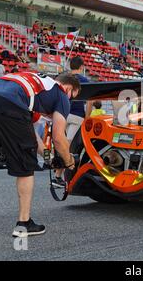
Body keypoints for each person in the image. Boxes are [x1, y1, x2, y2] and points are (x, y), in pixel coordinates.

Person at [0, 72, 81, 238]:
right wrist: (69, 160)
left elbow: (33, 138)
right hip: (10, 105)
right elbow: (59, 138)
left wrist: (49, 158)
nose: (70, 101)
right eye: (73, 96)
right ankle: (24, 223)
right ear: (68, 88)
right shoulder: (61, 94)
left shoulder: (34, 84)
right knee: (25, 165)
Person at [51, 57, 91, 188]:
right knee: (67, 146)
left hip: (62, 113)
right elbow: (90, 101)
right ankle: (58, 176)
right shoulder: (84, 80)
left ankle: (58, 173)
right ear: (81, 67)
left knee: (60, 143)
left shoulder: (64, 78)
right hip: (77, 115)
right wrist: (87, 118)